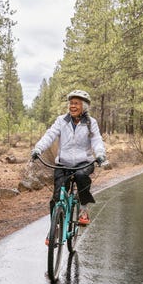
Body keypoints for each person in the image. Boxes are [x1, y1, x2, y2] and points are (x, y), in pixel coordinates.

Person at [31, 90, 106, 226]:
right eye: (71, 103)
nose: (72, 106)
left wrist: (100, 153)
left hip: (84, 162)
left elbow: (96, 140)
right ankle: (55, 227)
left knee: (81, 176)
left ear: (84, 107)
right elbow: (50, 135)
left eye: (76, 103)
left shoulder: (90, 122)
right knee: (57, 195)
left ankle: (83, 209)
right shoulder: (61, 121)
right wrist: (38, 149)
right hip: (63, 163)